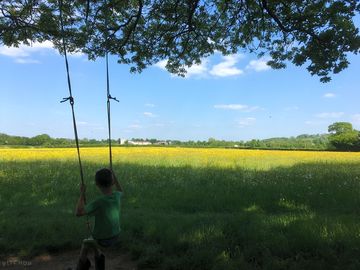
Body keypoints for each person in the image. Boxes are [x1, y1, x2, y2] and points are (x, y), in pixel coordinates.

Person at [75, 168, 123, 270]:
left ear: (97, 184)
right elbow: (120, 190)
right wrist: (114, 175)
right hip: (115, 236)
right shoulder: (117, 196)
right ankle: (99, 265)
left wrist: (82, 193)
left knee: (85, 244)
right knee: (93, 244)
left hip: (102, 240)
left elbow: (78, 212)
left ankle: (79, 268)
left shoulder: (99, 202)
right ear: (113, 181)